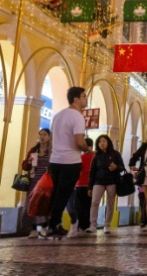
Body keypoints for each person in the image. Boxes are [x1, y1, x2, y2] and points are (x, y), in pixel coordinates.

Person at [47, 87, 89, 238]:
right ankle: (53, 225)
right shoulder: (77, 117)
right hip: (69, 161)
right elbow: (79, 141)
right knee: (63, 195)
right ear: (76, 99)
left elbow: (52, 141)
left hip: (55, 160)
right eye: (84, 96)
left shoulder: (58, 115)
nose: (86, 99)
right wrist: (88, 148)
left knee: (55, 194)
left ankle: (51, 224)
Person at [87, 135, 125, 234]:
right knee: (94, 202)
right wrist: (90, 187)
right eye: (99, 142)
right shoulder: (96, 156)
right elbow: (92, 172)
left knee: (110, 204)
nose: (102, 143)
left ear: (108, 142)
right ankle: (93, 225)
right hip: (98, 182)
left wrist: (116, 167)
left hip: (111, 182)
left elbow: (122, 167)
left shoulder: (115, 154)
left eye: (104, 141)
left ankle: (107, 225)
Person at [21, 128, 52, 237]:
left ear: (49, 137)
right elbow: (25, 166)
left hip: (46, 182)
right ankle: (33, 229)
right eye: (40, 135)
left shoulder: (52, 150)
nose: (42, 137)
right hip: (33, 181)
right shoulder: (33, 150)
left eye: (44, 135)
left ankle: (44, 227)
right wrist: (28, 162)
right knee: (32, 205)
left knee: (44, 204)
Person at [67, 137, 94, 237]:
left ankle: (83, 225)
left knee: (83, 206)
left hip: (84, 184)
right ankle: (85, 225)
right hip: (85, 184)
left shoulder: (84, 157)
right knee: (86, 206)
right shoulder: (89, 156)